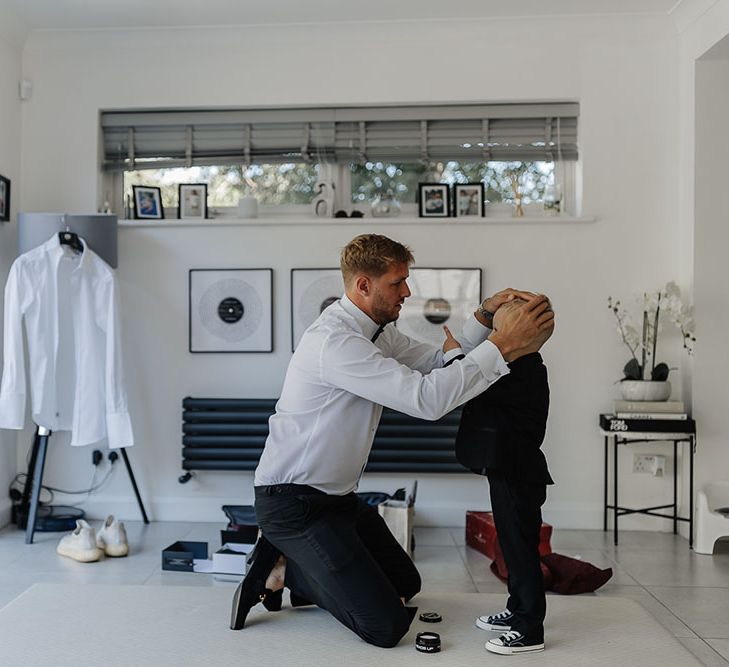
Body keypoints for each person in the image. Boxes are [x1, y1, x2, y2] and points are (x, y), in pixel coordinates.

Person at [230, 233, 554, 648]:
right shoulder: (337, 343)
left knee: (406, 582)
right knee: (385, 626)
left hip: (339, 499)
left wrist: (482, 317)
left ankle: (301, 565)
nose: (407, 291)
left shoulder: (379, 332)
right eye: (397, 283)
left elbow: (439, 364)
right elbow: (426, 399)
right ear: (363, 285)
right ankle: (281, 564)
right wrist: (503, 344)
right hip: (294, 503)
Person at [454, 298, 554, 655]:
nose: (492, 340)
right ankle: (517, 610)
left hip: (518, 474)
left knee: (521, 549)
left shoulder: (520, 371)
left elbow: (471, 389)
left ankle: (530, 628)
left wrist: (455, 357)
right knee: (512, 547)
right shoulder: (521, 366)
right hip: (510, 471)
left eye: (497, 333)